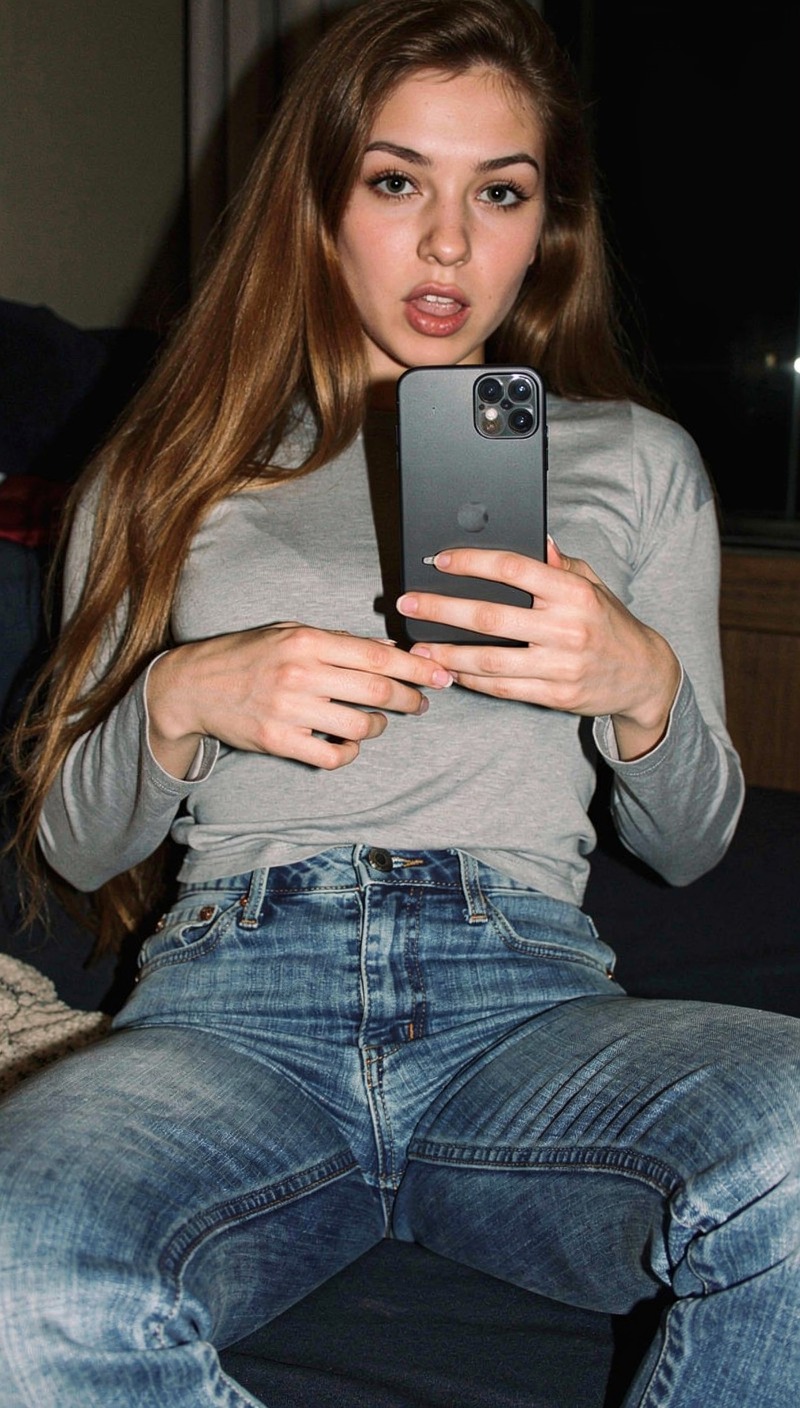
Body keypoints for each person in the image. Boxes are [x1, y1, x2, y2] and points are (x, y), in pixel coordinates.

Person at [1, 1, 798, 1403]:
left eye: (501, 191)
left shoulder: (634, 461)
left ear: (547, 222)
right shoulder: (170, 470)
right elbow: (72, 843)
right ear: (318, 202)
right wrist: (180, 698)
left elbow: (690, 845)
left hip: (528, 1007)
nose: (449, 244)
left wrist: (644, 689)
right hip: (229, 1012)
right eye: (395, 181)